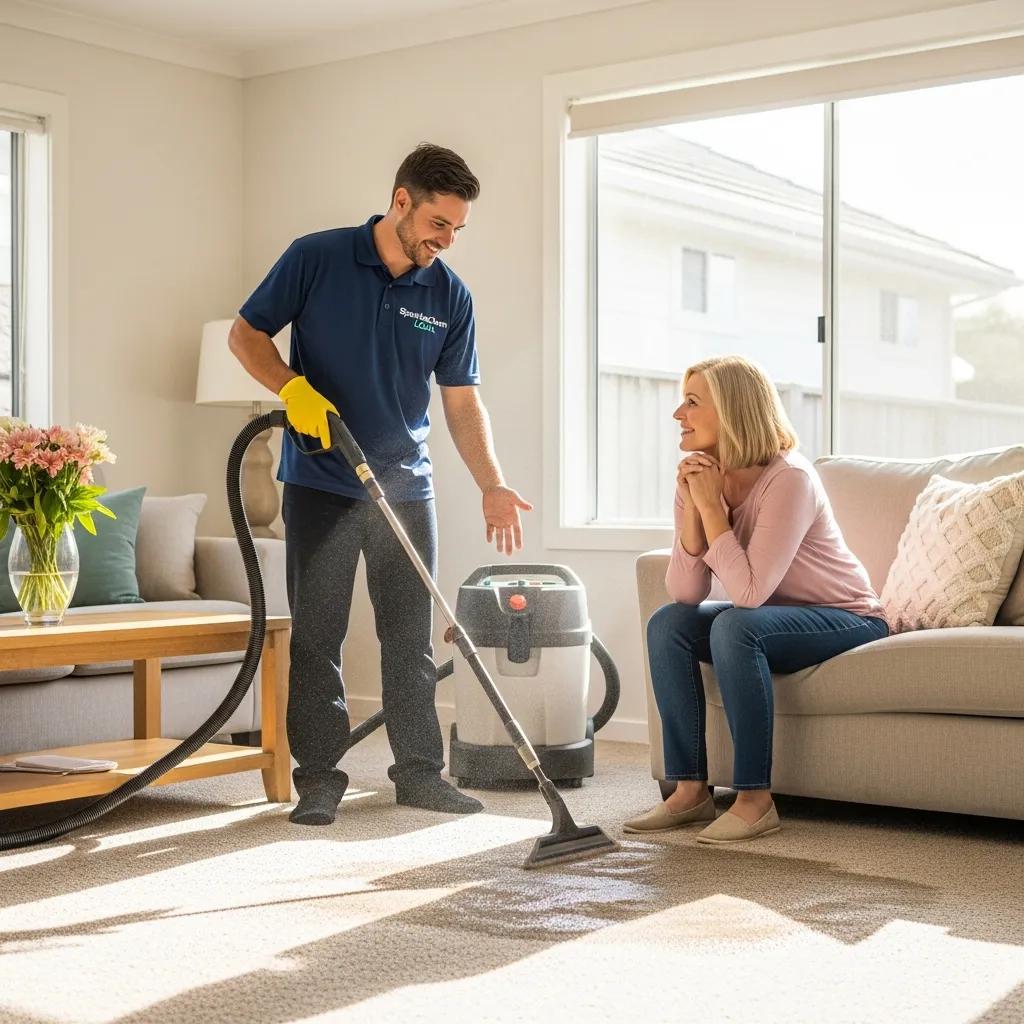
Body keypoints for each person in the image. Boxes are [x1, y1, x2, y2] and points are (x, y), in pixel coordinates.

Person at [228, 143, 532, 826]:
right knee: (318, 637)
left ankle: (420, 775)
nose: (445, 242)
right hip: (323, 481)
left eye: (456, 230)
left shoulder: (448, 293)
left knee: (410, 639)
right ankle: (319, 780)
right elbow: (246, 336)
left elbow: (460, 401)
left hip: (405, 488)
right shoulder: (317, 257)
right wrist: (293, 388)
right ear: (402, 202)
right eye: (437, 224)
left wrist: (492, 483)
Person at [624, 355, 888, 843]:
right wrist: (693, 512)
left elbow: (748, 593)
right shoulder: (699, 476)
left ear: (732, 411)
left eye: (692, 402)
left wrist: (710, 509)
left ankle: (754, 800)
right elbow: (685, 593)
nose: (678, 414)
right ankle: (690, 791)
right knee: (668, 624)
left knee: (734, 625)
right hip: (771, 617)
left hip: (845, 616)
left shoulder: (789, 478)